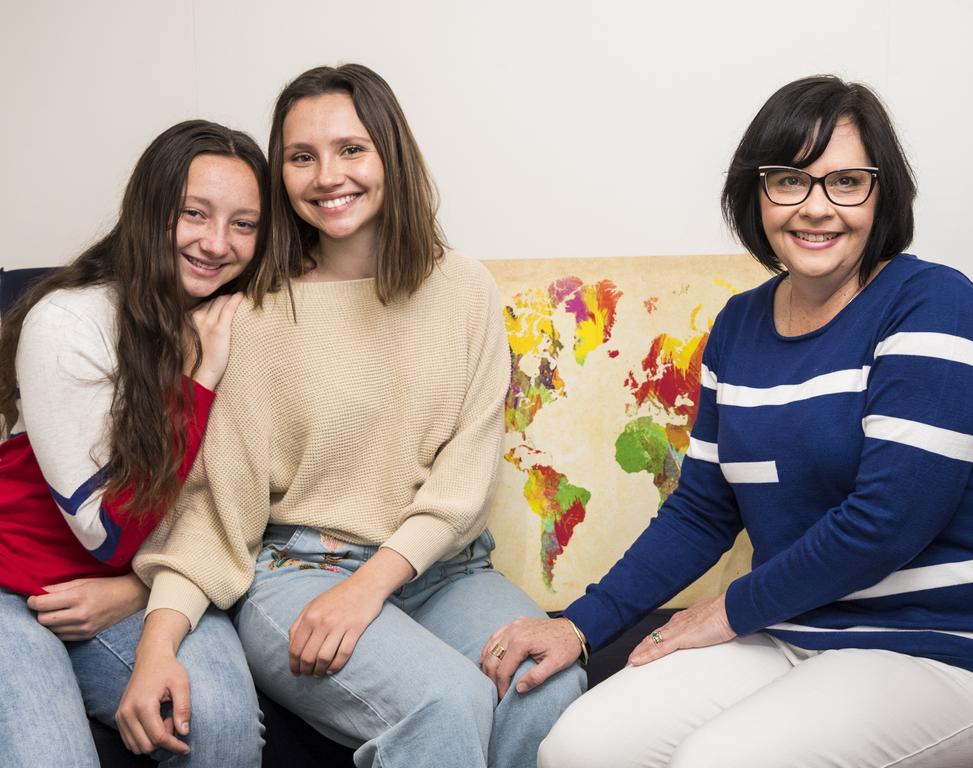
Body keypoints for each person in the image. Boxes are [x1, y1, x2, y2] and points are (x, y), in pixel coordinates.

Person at [482, 75, 973, 768]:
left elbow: (887, 521)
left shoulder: (934, 306)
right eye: (790, 180)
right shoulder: (739, 326)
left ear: (881, 194)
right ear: (756, 193)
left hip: (952, 650)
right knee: (578, 748)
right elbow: (703, 512)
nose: (817, 208)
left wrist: (728, 611)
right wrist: (578, 628)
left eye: (847, 182)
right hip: (797, 630)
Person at [124, 63, 585, 768]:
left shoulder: (464, 289)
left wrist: (369, 588)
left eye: (350, 149)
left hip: (446, 573)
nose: (326, 175)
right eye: (301, 157)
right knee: (447, 700)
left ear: (389, 154)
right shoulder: (254, 314)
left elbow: (465, 480)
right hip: (297, 571)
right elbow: (219, 511)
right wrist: (156, 642)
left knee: (544, 684)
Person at [0, 121, 268, 766]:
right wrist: (197, 376)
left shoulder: (246, 318)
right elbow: (109, 532)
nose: (216, 243)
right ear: (151, 212)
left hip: (130, 585)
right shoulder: (70, 319)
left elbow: (249, 506)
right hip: (14, 582)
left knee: (221, 723)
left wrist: (138, 591)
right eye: (193, 214)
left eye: (243, 224)